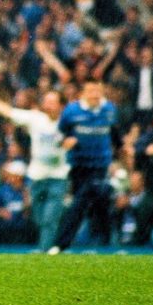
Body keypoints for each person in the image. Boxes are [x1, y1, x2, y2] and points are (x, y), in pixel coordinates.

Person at [0, 85, 69, 252]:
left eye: (52, 102)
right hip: (37, 176)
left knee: (50, 217)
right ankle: (49, 246)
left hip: (58, 176)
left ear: (62, 106)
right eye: (46, 101)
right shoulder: (35, 118)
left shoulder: (69, 122)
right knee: (38, 217)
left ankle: (46, 251)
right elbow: (8, 111)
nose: (47, 105)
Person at [48, 80, 117, 254]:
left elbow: (115, 134)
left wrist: (122, 151)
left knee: (80, 202)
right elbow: (58, 135)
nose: (95, 94)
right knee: (96, 202)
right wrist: (64, 142)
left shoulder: (109, 109)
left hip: (100, 164)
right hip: (79, 165)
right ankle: (107, 242)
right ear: (83, 93)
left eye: (98, 90)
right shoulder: (71, 111)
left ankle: (61, 244)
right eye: (91, 91)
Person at [0, 160, 37, 244]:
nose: (8, 176)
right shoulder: (4, 188)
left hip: (24, 223)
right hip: (7, 222)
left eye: (11, 175)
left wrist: (26, 195)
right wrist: (2, 212)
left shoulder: (29, 187)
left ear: (19, 176)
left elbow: (30, 209)